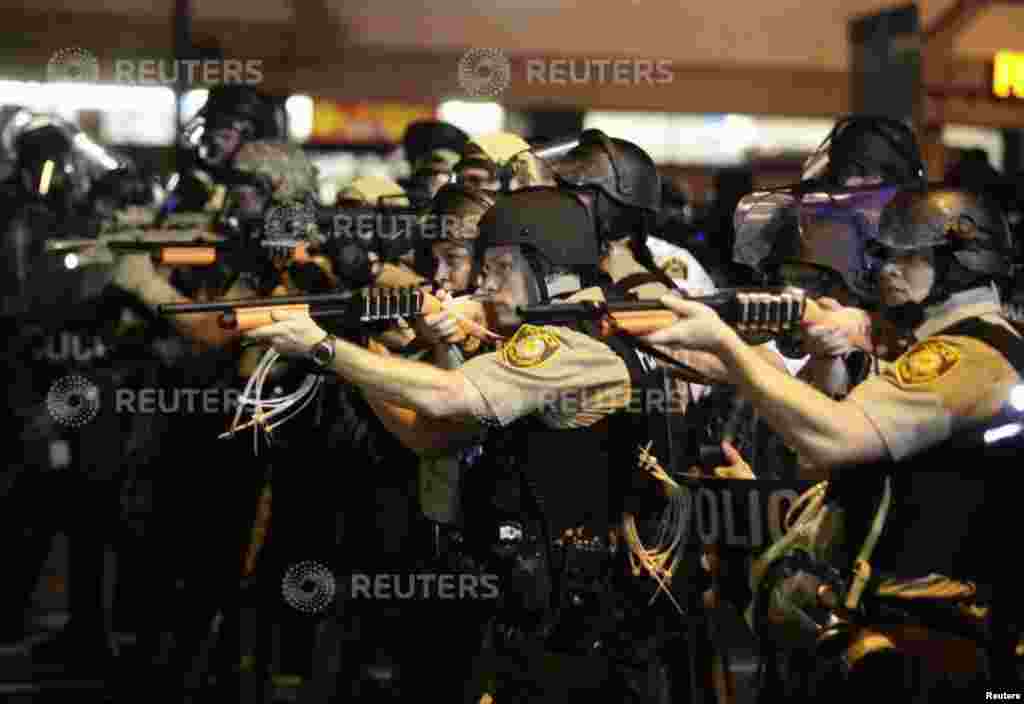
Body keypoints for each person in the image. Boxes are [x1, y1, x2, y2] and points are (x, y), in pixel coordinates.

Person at [245, 186, 706, 702]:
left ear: (546, 265)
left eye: (501, 267)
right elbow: (433, 436)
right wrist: (369, 351)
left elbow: (448, 397)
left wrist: (326, 349)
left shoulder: (564, 344)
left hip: (585, 639)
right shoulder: (604, 325)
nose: (485, 284)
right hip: (571, 622)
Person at [641, 186, 1021, 699]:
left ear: (959, 263)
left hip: (934, 646)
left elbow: (836, 440)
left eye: (907, 254)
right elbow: (851, 467)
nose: (885, 266)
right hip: (926, 636)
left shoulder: (964, 357)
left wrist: (728, 348)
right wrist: (829, 362)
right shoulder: (973, 346)